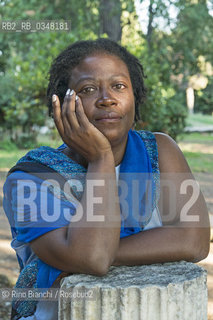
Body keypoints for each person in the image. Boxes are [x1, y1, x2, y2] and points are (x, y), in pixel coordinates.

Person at [3, 38, 210, 320]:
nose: (107, 99)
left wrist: (98, 252)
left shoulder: (159, 152)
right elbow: (93, 258)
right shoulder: (32, 178)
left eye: (119, 86)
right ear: (62, 103)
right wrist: (101, 158)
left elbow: (194, 240)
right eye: (88, 89)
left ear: (134, 96)